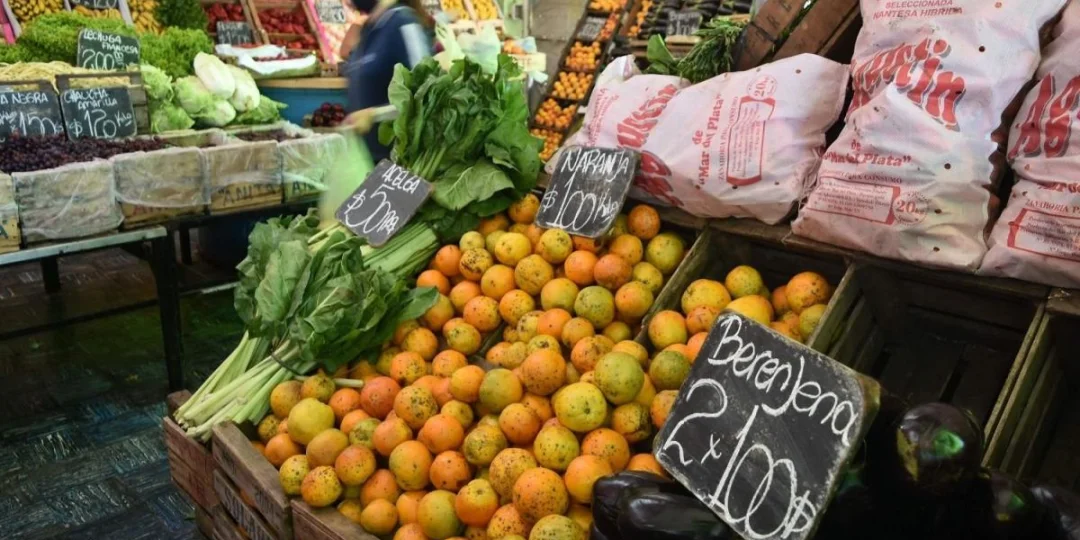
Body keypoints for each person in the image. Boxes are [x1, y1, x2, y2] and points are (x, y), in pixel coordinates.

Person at [339, 0, 433, 163]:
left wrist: (375, 115)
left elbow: (427, 96)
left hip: (400, 166)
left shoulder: (404, 24)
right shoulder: (370, 29)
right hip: (370, 164)